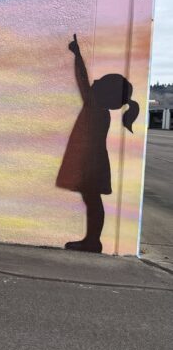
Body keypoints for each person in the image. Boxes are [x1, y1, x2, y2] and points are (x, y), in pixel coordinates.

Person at [56, 34, 139, 253]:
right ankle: (92, 240)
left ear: (105, 93)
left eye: (99, 82)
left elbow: (82, 79)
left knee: (92, 202)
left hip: (90, 166)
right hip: (94, 164)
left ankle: (93, 241)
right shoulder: (100, 111)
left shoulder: (95, 108)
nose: (95, 81)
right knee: (92, 201)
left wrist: (77, 55)